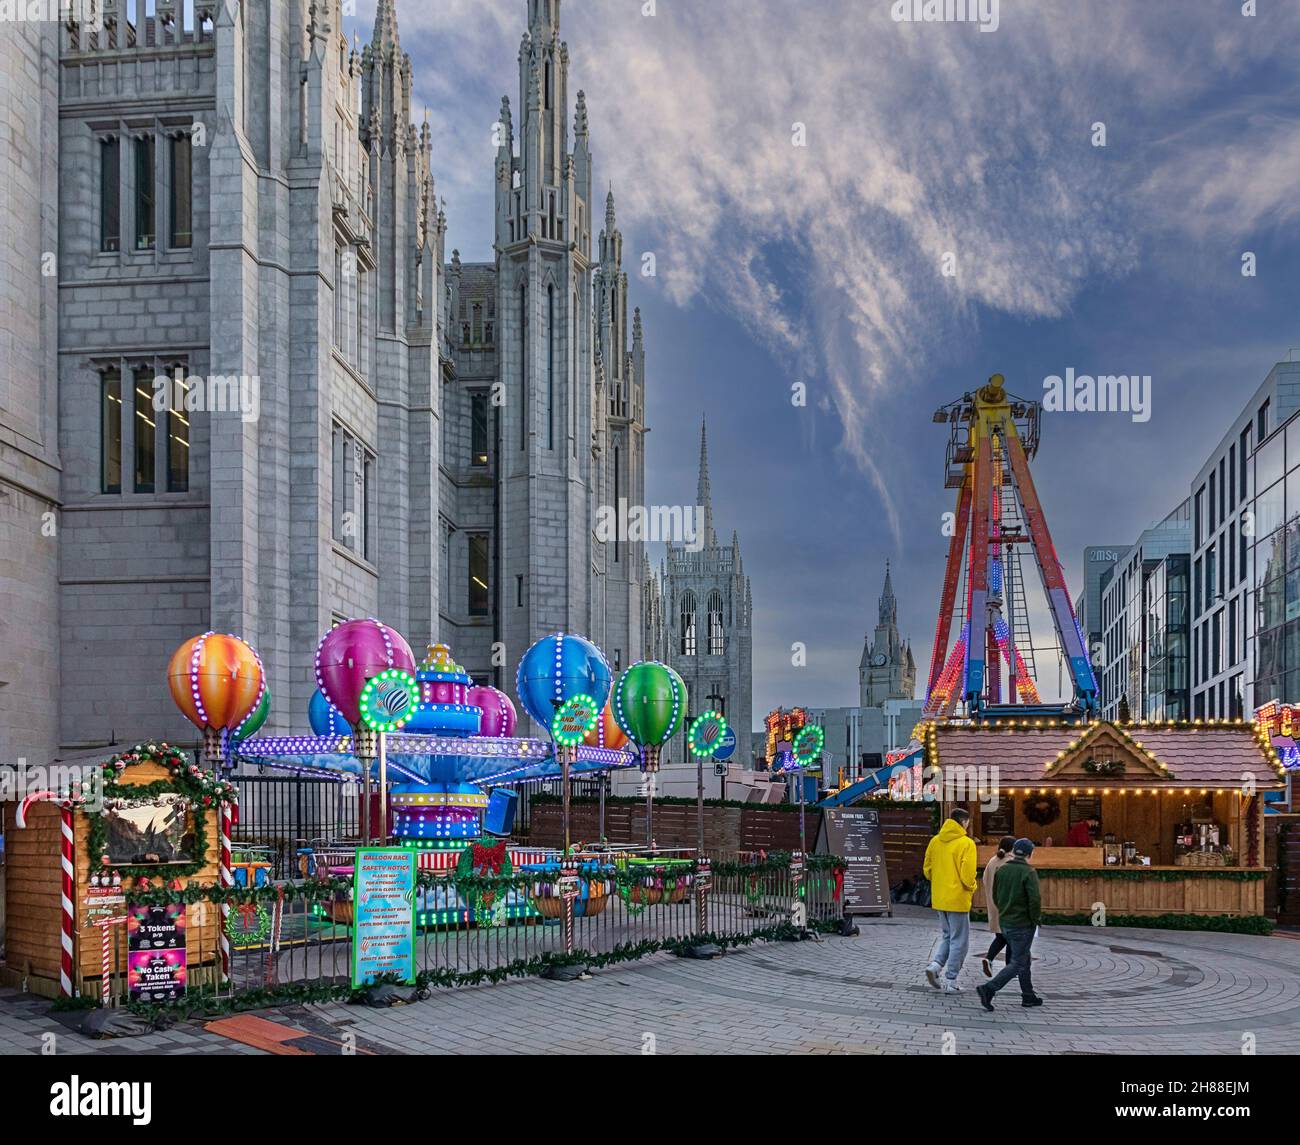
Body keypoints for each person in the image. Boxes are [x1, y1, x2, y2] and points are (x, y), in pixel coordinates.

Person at [976, 838, 1044, 1011]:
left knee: (1024, 958)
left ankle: (1028, 995)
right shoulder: (1028, 872)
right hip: (1022, 923)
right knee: (1018, 962)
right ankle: (988, 989)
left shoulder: (1003, 869)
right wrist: (1035, 919)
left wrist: (1003, 911)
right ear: (1029, 854)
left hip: (1005, 921)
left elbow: (996, 895)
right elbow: (1034, 900)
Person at [922, 806, 977, 993]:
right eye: (967, 822)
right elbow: (968, 875)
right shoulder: (966, 843)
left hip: (939, 898)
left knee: (947, 936)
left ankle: (936, 965)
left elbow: (927, 870)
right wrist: (972, 887)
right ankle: (951, 980)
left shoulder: (935, 841)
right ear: (963, 822)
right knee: (960, 941)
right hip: (958, 899)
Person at [980, 835, 1017, 977]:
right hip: (1007, 906)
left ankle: (991, 960)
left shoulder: (992, 861)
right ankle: (1008, 967)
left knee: (1002, 936)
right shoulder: (1010, 862)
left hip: (994, 906)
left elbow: (984, 880)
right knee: (1010, 938)